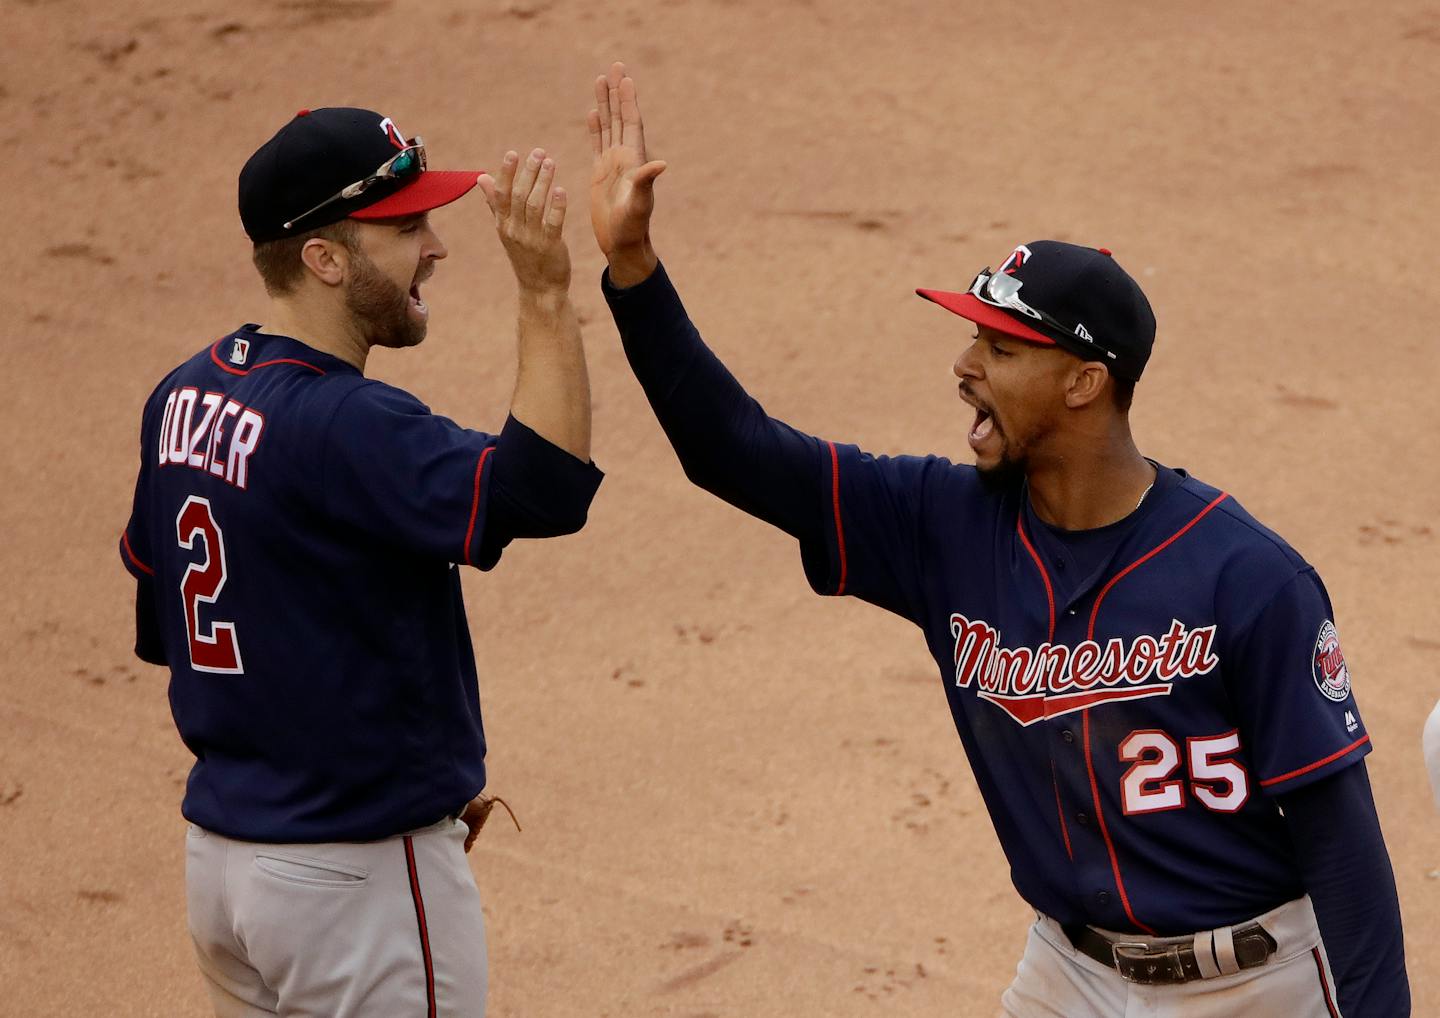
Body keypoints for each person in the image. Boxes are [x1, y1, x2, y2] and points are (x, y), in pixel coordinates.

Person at [585, 63, 1408, 1016]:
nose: (965, 367)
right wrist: (635, 272)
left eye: (1002, 349)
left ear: (1084, 383)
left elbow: (1342, 840)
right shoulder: (939, 523)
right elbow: (733, 451)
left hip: (1254, 985)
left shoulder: (1250, 579)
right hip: (1069, 976)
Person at [118, 106, 601, 1017]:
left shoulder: (181, 395)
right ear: (326, 259)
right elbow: (545, 492)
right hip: (356, 883)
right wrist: (543, 293)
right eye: (407, 226)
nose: (435, 246)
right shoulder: (348, 425)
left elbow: (164, 628)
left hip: (224, 869)